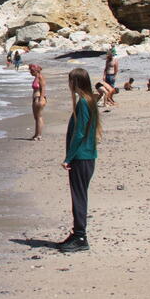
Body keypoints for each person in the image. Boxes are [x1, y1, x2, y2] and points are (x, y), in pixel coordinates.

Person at [57, 67, 101, 253]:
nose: (69, 85)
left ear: (75, 82)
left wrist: (69, 157)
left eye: (70, 81)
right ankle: (77, 234)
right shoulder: (90, 101)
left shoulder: (83, 103)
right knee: (79, 195)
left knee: (79, 196)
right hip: (87, 156)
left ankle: (81, 236)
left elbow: (80, 132)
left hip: (82, 157)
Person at [28, 63, 46, 141]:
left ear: (36, 71)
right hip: (35, 98)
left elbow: (43, 88)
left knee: (39, 116)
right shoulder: (36, 77)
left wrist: (41, 99)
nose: (30, 72)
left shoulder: (40, 77)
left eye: (32, 71)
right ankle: (36, 134)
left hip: (39, 98)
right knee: (36, 117)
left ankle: (39, 135)